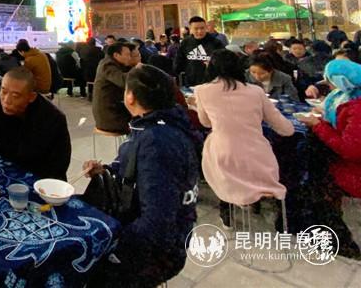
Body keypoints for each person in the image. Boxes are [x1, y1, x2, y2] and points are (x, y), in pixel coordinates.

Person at [83, 65, 200, 288]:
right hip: (157, 238)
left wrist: (114, 249)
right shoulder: (159, 126)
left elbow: (156, 221)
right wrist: (107, 170)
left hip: (153, 253)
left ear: (130, 97)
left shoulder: (156, 141)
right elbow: (140, 171)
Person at [194, 50, 294, 227]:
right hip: (258, 158)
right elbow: (285, 129)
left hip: (223, 155)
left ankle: (227, 211)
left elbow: (205, 123)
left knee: (220, 162)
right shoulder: (256, 91)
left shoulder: (202, 91)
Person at [297, 59, 361, 258]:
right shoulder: (343, 95)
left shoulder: (357, 108)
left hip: (352, 169)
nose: (327, 84)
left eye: (330, 80)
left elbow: (350, 149)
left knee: (314, 188)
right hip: (339, 159)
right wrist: (322, 116)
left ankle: (342, 245)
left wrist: (318, 126)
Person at [93, 43, 137, 134]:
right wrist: (137, 69)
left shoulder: (116, 64)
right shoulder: (107, 65)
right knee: (143, 120)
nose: (130, 58)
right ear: (116, 55)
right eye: (127, 55)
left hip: (114, 109)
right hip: (110, 116)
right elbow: (123, 81)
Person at [174, 16, 223, 87]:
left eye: (202, 28)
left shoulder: (215, 43)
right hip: (190, 84)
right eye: (196, 29)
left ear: (206, 28)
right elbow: (178, 61)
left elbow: (223, 62)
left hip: (211, 84)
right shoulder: (185, 42)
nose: (199, 31)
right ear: (191, 29)